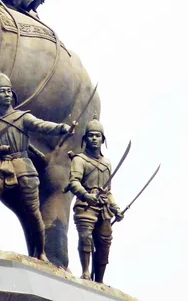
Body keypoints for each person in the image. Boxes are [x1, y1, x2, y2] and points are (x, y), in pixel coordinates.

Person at [0, 72, 70, 260]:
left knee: (32, 210)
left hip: (23, 165)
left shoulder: (22, 117)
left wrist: (61, 128)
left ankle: (41, 251)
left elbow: (42, 126)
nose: (7, 94)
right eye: (2, 91)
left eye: (8, 91)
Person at [67, 116, 124, 283]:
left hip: (104, 208)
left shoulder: (107, 163)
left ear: (102, 139)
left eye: (97, 136)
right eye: (91, 135)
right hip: (85, 204)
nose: (94, 138)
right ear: (85, 139)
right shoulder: (79, 159)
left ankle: (99, 280)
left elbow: (108, 191)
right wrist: (86, 195)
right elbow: (73, 182)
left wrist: (116, 208)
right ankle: (85, 273)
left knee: (104, 242)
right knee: (86, 237)